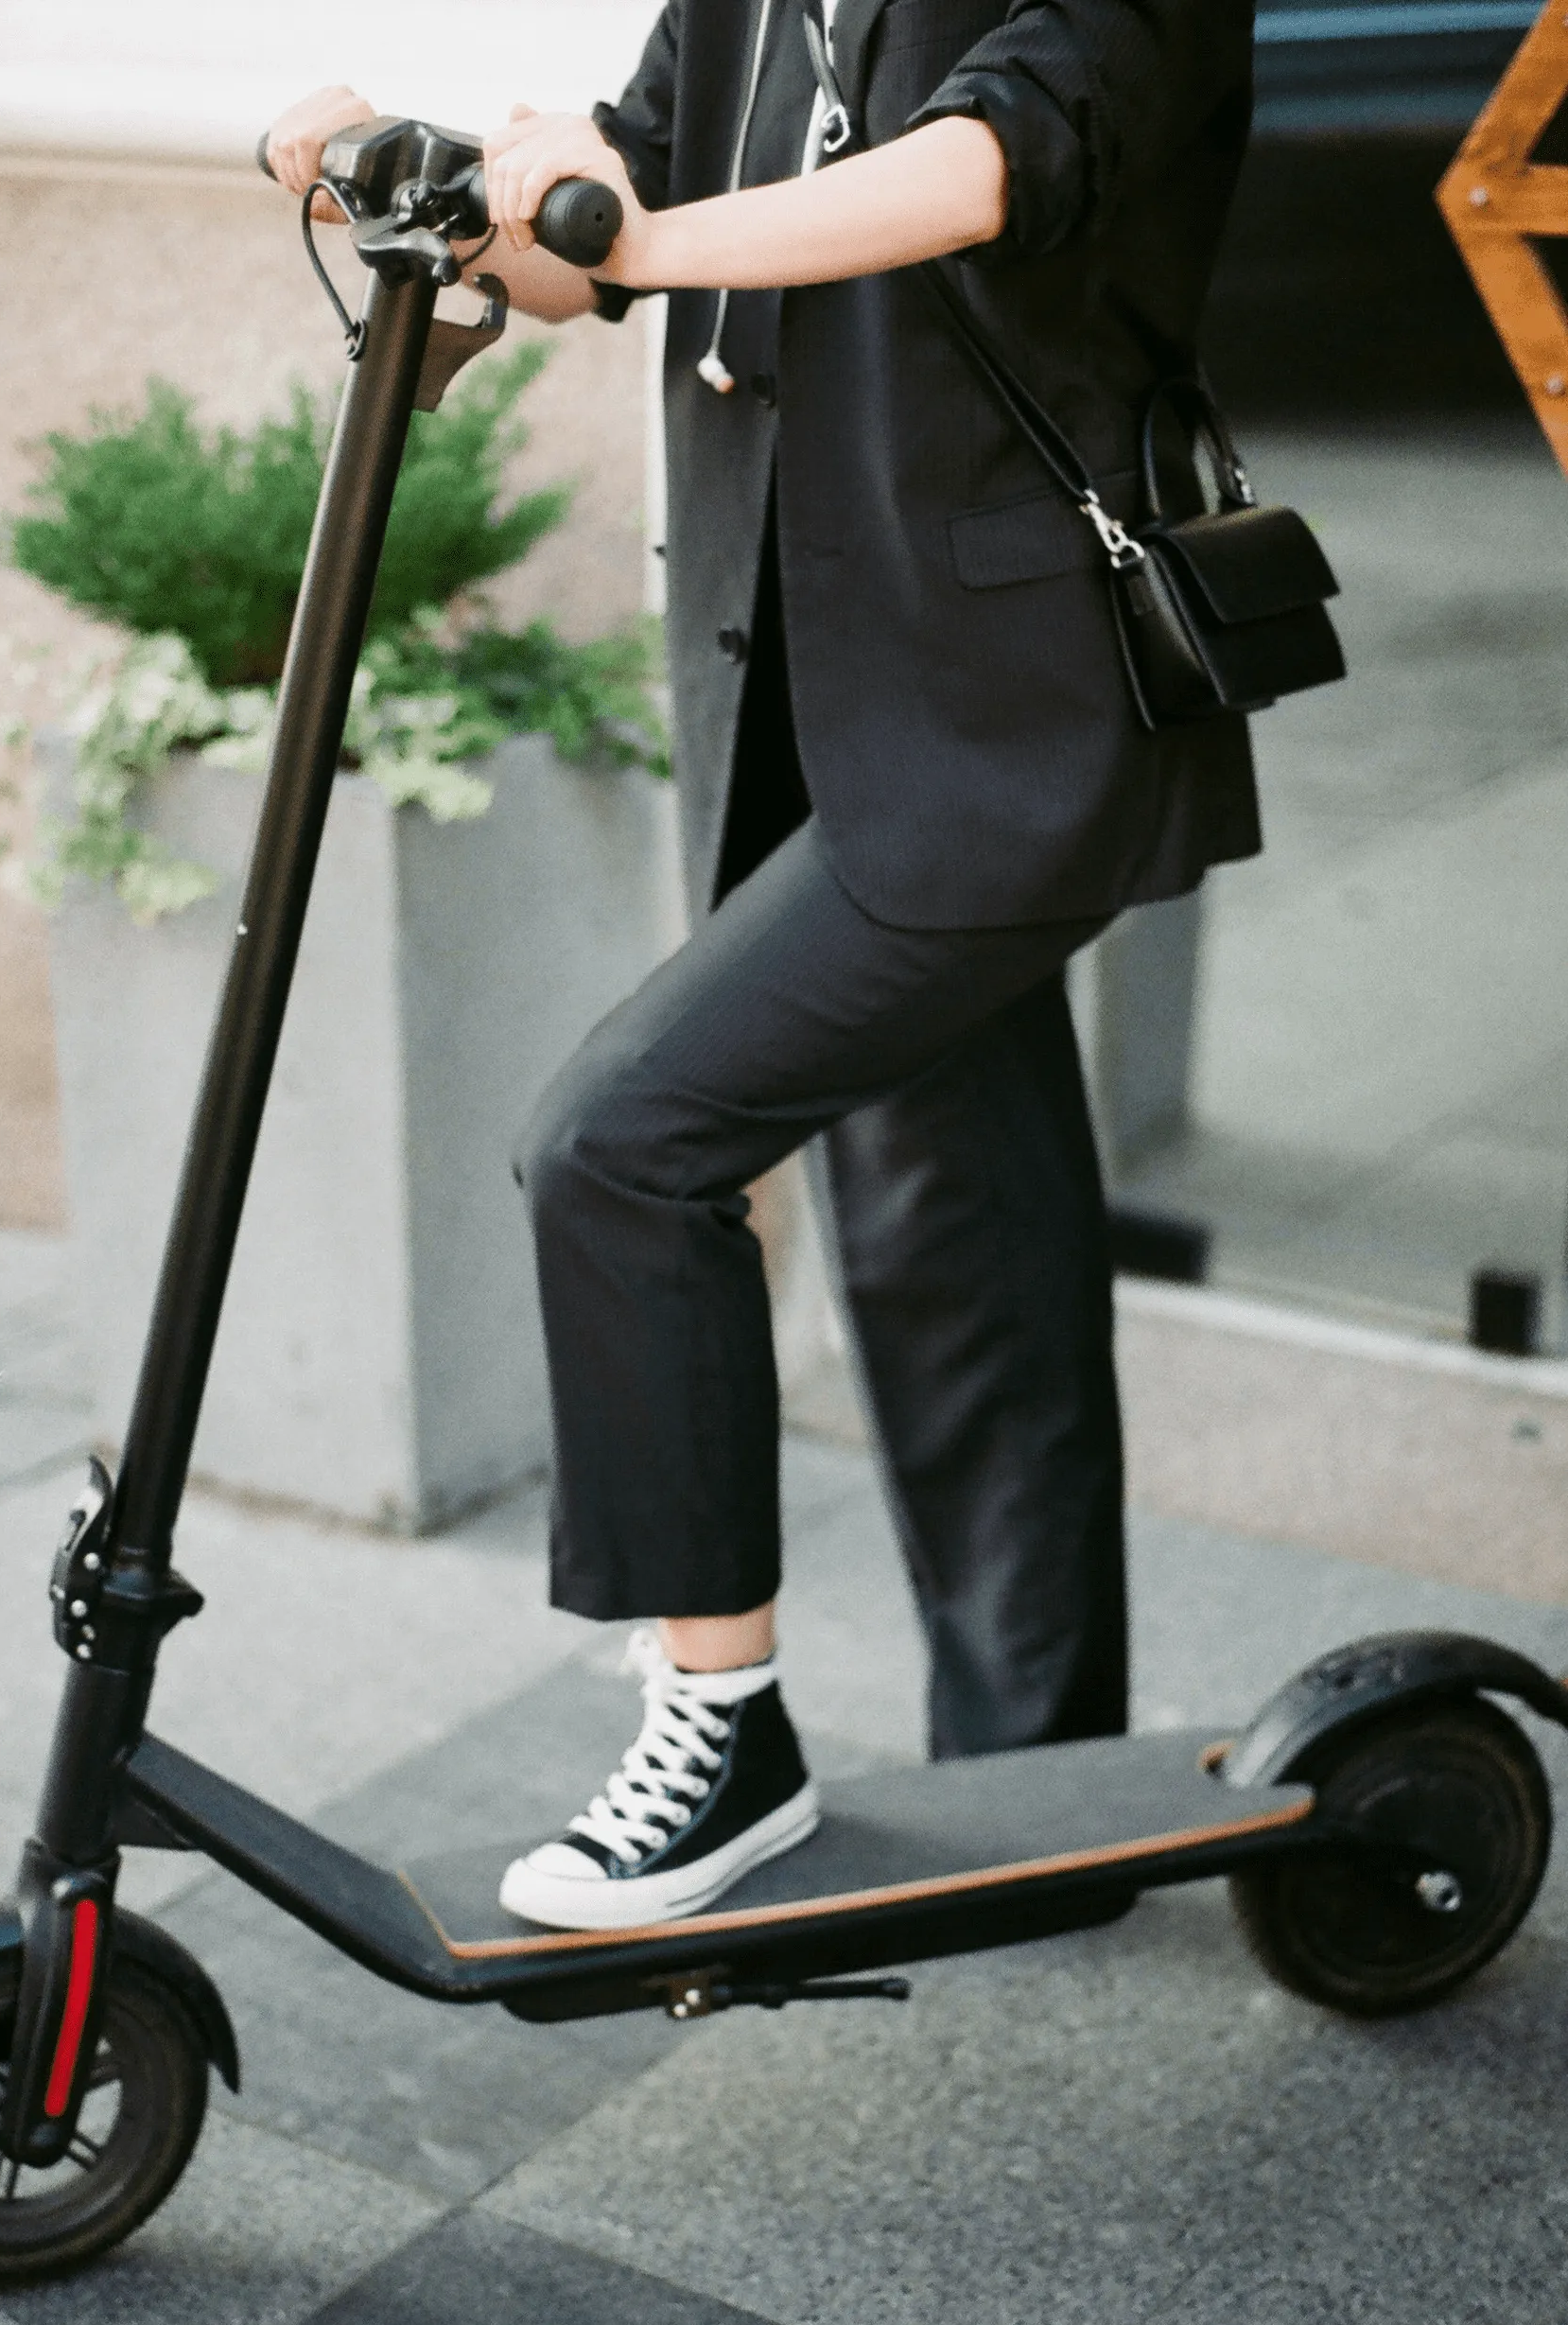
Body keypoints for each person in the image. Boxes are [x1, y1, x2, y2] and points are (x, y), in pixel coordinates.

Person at [267, 0, 1260, 1933]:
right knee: (956, 1235)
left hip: (1009, 713)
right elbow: (607, 218)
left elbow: (980, 168)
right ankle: (1038, 1785)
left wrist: (632, 232)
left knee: (624, 1150)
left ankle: (723, 1733)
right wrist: (435, 190)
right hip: (813, 692)